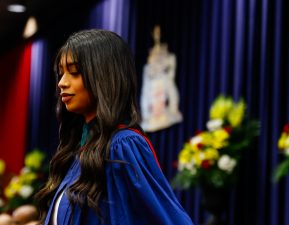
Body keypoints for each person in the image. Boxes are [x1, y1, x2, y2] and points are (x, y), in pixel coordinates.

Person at [35, 29, 194, 225]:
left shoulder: (123, 146)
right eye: (61, 73)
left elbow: (168, 219)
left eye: (74, 72)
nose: (62, 83)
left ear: (104, 76)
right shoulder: (78, 152)